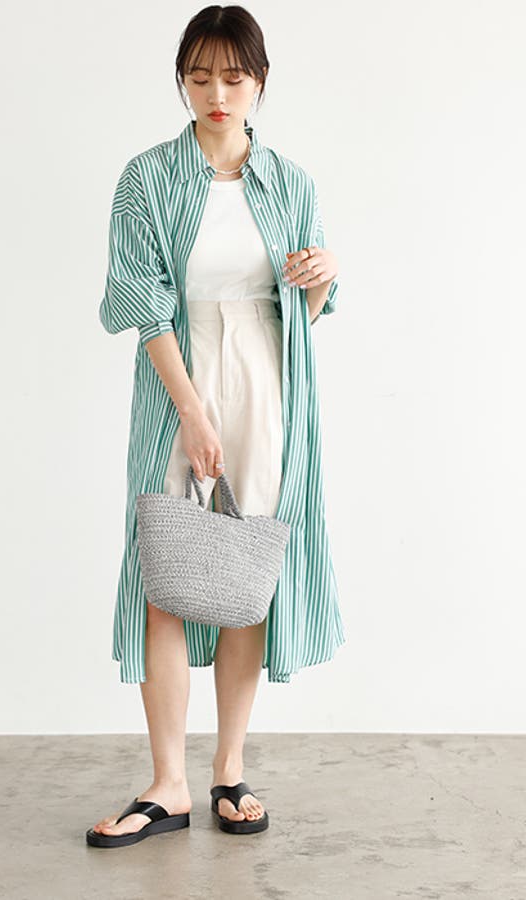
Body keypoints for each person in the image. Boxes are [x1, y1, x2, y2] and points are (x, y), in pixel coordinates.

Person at [87, 5, 344, 848]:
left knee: (245, 574)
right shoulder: (147, 177)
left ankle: (229, 769)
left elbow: (302, 313)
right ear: (182, 82)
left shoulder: (290, 183)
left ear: (260, 82)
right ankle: (168, 784)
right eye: (200, 78)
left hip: (267, 386)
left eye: (233, 77)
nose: (217, 94)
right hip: (178, 380)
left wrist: (321, 276)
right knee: (165, 573)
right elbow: (143, 303)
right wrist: (192, 411)